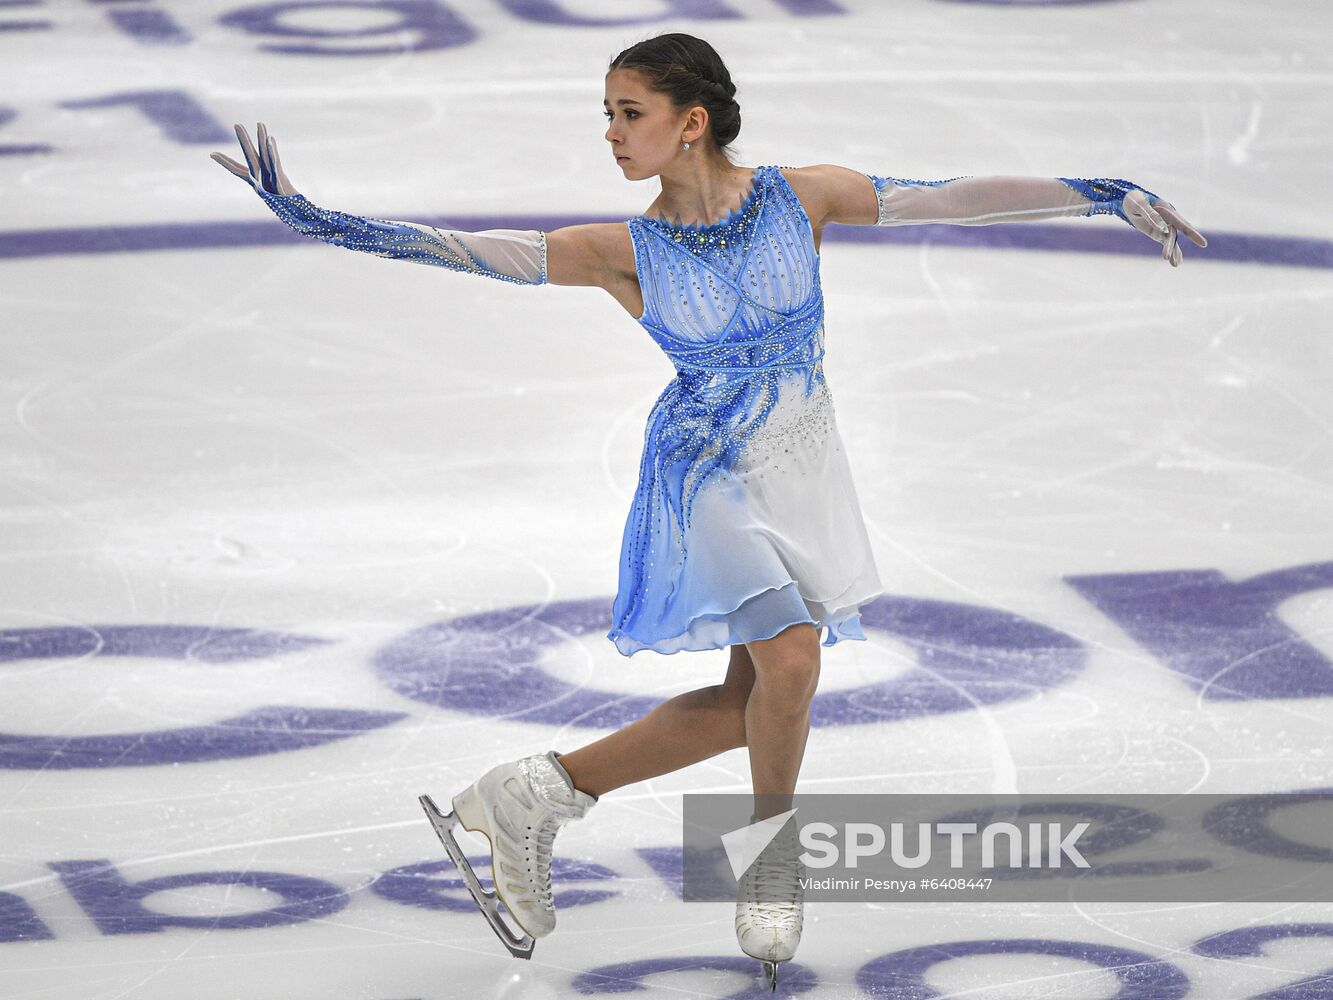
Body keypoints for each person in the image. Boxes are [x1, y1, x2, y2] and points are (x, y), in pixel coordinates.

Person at [211, 31, 1205, 990]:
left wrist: (1106, 194)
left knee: (754, 703)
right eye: (606, 112)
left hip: (801, 464)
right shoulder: (617, 248)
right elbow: (474, 251)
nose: (610, 131)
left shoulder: (800, 197)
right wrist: (321, 219)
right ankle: (770, 865)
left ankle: (532, 792)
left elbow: (947, 195)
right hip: (705, 473)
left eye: (628, 112)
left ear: (691, 123)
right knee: (791, 660)